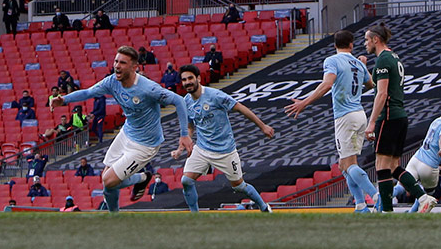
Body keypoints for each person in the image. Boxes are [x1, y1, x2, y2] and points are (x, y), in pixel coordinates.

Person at [51, 46, 192, 212]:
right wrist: (64, 100)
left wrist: (184, 134)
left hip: (145, 144)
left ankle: (141, 178)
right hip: (127, 133)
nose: (117, 65)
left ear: (134, 68)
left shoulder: (147, 88)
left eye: (122, 63)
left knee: (108, 180)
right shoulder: (112, 81)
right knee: (107, 183)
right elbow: (88, 92)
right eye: (116, 61)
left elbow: (179, 101)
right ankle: (116, 216)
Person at [286, 30, 380, 212]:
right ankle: (361, 205)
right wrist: (363, 66)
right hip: (360, 114)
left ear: (335, 45)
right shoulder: (358, 64)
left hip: (345, 116)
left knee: (349, 164)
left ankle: (376, 196)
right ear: (351, 45)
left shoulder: (332, 61)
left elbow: (327, 84)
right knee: (344, 165)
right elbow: (370, 85)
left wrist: (304, 103)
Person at [172, 64, 274, 212]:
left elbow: (240, 107)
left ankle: (264, 207)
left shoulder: (215, 96)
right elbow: (190, 127)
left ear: (198, 78)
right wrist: (180, 148)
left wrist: (263, 126)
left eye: (190, 78)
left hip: (225, 151)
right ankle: (195, 217)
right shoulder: (186, 102)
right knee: (186, 180)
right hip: (202, 149)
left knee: (239, 186)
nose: (187, 82)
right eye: (184, 80)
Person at [363, 23, 436, 213]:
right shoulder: (394, 57)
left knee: (381, 164)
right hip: (400, 116)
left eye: (366, 40)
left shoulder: (383, 60)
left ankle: (386, 211)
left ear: (375, 40)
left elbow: (382, 93)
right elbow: (377, 85)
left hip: (388, 116)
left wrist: (371, 123)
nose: (365, 44)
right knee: (394, 165)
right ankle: (423, 197)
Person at [397, 105, 441, 212]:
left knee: (401, 185)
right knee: (429, 194)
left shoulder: (436, 121)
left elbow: (435, 140)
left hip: (416, 159)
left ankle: (382, 199)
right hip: (429, 165)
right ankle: (413, 212)